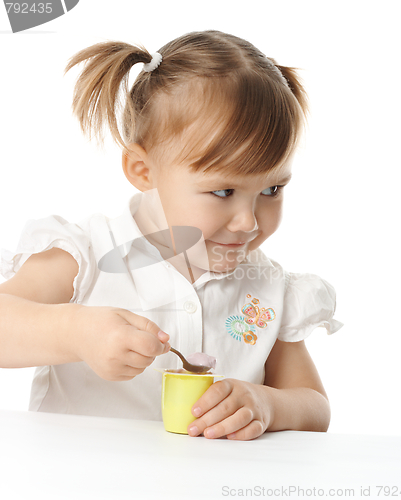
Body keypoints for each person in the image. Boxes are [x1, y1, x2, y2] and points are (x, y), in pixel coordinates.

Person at [0, 30, 342, 440]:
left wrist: (267, 403)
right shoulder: (85, 256)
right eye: (222, 191)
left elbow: (314, 406)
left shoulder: (266, 287)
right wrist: (76, 332)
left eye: (271, 190)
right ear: (144, 171)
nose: (248, 222)